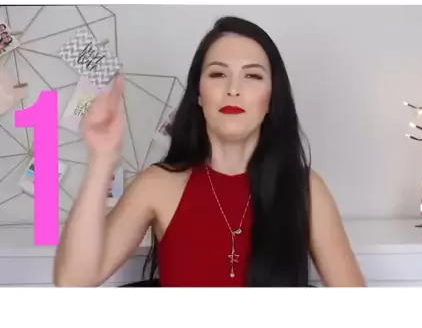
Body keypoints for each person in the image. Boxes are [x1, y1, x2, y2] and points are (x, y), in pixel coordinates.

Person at [54, 16, 365, 287]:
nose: (233, 89)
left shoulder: (306, 190)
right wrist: (101, 158)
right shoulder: (157, 185)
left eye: (252, 76)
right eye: (218, 74)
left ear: (272, 98)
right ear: (199, 94)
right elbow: (72, 281)